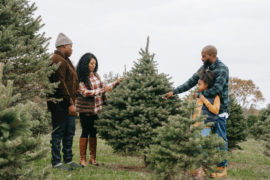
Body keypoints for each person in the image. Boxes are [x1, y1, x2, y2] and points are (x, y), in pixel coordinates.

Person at [163, 45, 229, 178]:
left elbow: (217, 89)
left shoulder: (222, 69)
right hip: (204, 111)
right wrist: (174, 92)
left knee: (220, 139)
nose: (201, 58)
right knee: (202, 140)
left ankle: (221, 168)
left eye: (204, 56)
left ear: (211, 55)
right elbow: (192, 81)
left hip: (219, 110)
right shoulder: (205, 67)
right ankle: (201, 168)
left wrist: (199, 96)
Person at [76, 53, 123, 166]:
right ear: (85, 64)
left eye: (94, 63)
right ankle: (83, 159)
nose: (93, 65)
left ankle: (93, 158)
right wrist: (102, 90)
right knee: (85, 132)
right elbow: (85, 93)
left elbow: (104, 86)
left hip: (97, 110)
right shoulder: (81, 79)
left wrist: (116, 82)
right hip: (86, 111)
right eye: (91, 63)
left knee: (93, 133)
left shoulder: (96, 75)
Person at [47, 33, 82, 171]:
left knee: (69, 132)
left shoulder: (66, 60)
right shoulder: (56, 60)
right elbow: (60, 84)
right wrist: (70, 104)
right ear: (62, 46)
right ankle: (56, 162)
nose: (72, 49)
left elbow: (71, 81)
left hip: (69, 103)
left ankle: (68, 159)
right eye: (70, 46)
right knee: (58, 133)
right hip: (60, 104)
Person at [190, 70, 220, 178]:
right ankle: (197, 170)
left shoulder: (215, 97)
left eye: (199, 84)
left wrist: (205, 100)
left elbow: (216, 110)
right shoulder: (198, 96)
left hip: (205, 126)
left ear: (206, 85)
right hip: (195, 126)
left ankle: (204, 170)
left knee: (202, 148)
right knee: (196, 148)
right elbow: (193, 112)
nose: (197, 86)